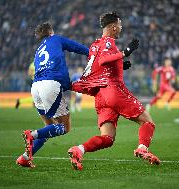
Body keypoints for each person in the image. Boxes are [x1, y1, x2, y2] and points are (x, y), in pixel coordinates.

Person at [68, 12, 160, 171]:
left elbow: (99, 65)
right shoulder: (109, 42)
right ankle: (142, 148)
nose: (121, 28)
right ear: (113, 27)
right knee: (147, 122)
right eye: (120, 25)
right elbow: (104, 60)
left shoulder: (95, 45)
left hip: (101, 96)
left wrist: (119, 64)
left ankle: (79, 149)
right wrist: (125, 52)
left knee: (107, 138)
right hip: (113, 91)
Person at [16, 21, 89, 168]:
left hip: (35, 87)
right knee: (64, 127)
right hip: (50, 85)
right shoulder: (56, 39)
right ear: (51, 31)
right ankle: (32, 134)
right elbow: (76, 47)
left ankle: (25, 157)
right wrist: (92, 53)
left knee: (48, 128)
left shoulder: (38, 49)